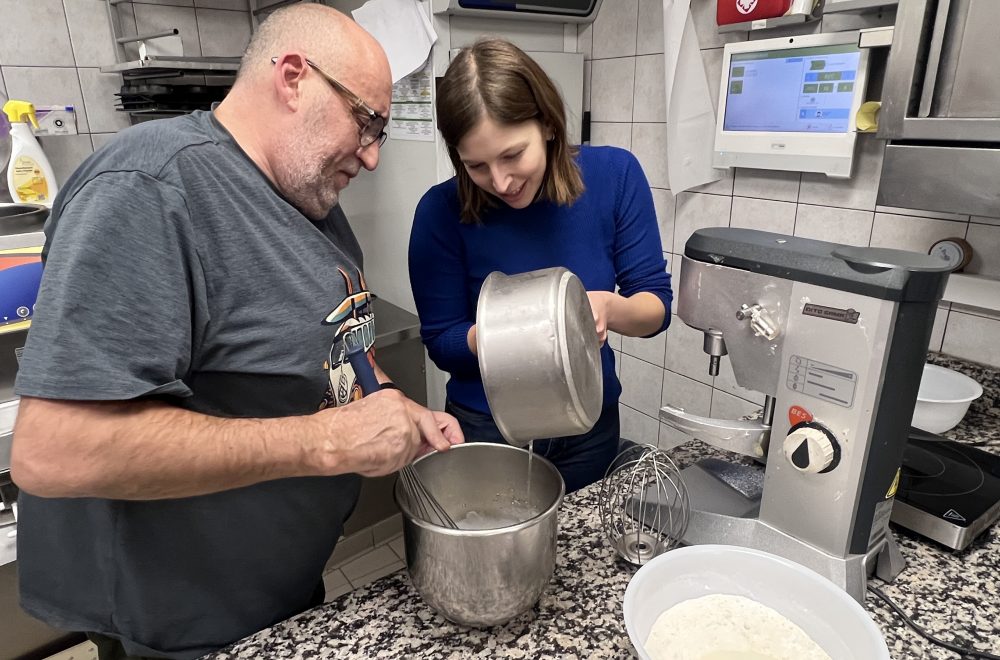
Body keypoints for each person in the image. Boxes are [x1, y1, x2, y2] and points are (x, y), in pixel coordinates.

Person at [10, 5, 462, 659]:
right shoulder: (151, 189)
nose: (369, 156)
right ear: (294, 77)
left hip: (274, 591)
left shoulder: (309, 200)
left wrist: (395, 406)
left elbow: (341, 345)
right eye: (367, 122)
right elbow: (53, 451)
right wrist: (324, 444)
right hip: (179, 620)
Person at [408, 39, 671, 493]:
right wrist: (512, 331)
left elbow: (655, 308)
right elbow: (441, 341)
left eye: (512, 155)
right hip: (491, 431)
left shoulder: (615, 176)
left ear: (548, 124)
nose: (501, 182)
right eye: (477, 166)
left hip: (589, 423)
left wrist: (608, 307)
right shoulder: (439, 212)